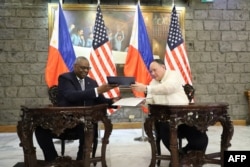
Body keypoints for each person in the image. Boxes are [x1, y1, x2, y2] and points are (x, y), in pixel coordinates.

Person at [35, 56, 119, 162]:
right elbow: (72, 96)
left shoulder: (91, 82)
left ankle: (81, 161)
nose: (85, 71)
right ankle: (53, 159)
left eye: (87, 68)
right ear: (75, 67)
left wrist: (113, 101)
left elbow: (100, 100)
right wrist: (97, 90)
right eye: (82, 68)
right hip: (65, 121)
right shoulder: (65, 78)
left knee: (88, 128)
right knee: (40, 130)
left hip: (85, 122)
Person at [131, 59, 208, 155]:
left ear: (163, 67)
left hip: (184, 118)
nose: (153, 73)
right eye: (151, 71)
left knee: (201, 140)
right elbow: (150, 102)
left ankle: (184, 153)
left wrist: (146, 88)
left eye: (155, 70)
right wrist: (141, 101)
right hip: (166, 120)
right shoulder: (153, 83)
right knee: (164, 129)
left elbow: (168, 88)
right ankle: (177, 157)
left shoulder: (173, 75)